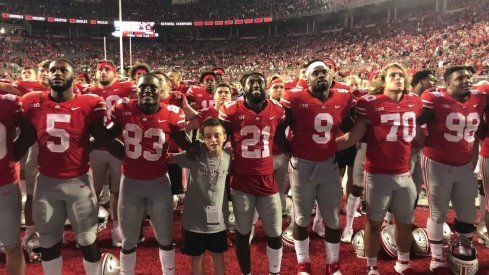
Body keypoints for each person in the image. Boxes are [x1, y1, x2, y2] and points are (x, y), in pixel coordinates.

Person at [15, 58, 118, 275]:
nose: (57, 73)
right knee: (49, 242)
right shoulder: (33, 103)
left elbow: (103, 140)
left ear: (73, 75)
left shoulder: (89, 104)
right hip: (46, 183)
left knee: (88, 241)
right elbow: (22, 143)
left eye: (63, 70)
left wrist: (130, 155)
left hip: (78, 182)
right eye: (53, 70)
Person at [336, 63, 423, 274]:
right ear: (382, 81)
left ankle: (404, 262)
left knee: (405, 222)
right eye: (392, 75)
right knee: (374, 223)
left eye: (401, 75)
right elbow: (352, 137)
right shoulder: (371, 103)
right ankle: (372, 267)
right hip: (377, 175)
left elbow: (420, 137)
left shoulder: (414, 102)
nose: (398, 78)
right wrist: (315, 148)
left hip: (404, 173)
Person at [108, 73, 193, 275]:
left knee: (164, 237)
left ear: (161, 91)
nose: (147, 90)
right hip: (130, 183)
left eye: (153, 87)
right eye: (143, 87)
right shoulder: (124, 108)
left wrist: (197, 150)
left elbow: (187, 146)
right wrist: (124, 153)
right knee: (128, 238)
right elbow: (105, 136)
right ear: (137, 89)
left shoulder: (173, 113)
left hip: (159, 184)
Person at [277, 60, 352, 274]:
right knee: (300, 218)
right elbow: (277, 128)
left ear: (331, 76)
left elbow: (350, 127)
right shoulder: (295, 98)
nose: (321, 76)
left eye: (324, 72)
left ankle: (333, 264)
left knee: (333, 218)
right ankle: (303, 264)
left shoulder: (342, 98)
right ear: (307, 78)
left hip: (329, 164)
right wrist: (287, 150)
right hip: (302, 165)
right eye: (315, 73)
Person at [417, 65, 487, 274]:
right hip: (437, 163)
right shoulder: (434, 99)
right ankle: (437, 254)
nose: (466, 80)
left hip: (465, 164)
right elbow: (416, 121)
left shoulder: (480, 97)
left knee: (467, 211)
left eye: (468, 77)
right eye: (460, 78)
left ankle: (463, 245)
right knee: (438, 211)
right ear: (447, 83)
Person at [219, 72, 284, 275]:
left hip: (267, 180)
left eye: (260, 82)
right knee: (242, 232)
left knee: (275, 233)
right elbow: (217, 138)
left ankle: (274, 272)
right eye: (251, 82)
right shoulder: (230, 110)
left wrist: (296, 151)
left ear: (265, 87)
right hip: (241, 181)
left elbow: (283, 137)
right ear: (242, 87)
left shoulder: (277, 109)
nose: (256, 85)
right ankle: (246, 273)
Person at [84, 60, 137, 247]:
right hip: (94, 148)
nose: (104, 72)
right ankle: (89, 230)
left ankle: (116, 228)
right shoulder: (87, 91)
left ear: (115, 74)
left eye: (108, 70)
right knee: (92, 192)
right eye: (100, 70)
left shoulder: (126, 87)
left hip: (117, 146)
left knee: (117, 191)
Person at [172, 118, 231, 275]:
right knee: (197, 256)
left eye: (217, 135)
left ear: (224, 137)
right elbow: (168, 159)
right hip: (194, 220)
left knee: (218, 254)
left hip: (218, 219)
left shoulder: (229, 157)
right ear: (202, 138)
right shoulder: (195, 155)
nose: (213, 140)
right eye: (208, 136)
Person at [0, 94, 26, 275]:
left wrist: (15, 153)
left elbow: (31, 128)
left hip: (4, 182)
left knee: (12, 244)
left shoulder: (8, 103)